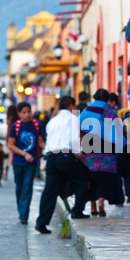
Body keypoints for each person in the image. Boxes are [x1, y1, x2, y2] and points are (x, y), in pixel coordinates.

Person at [35, 96, 90, 234]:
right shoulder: (72, 119)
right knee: (82, 180)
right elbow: (74, 139)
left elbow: (50, 138)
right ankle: (77, 211)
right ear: (71, 106)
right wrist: (79, 153)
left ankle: (41, 222)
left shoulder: (53, 120)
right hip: (64, 156)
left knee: (50, 190)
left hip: (51, 157)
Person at [80, 89, 125, 216]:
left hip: (89, 145)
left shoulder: (86, 110)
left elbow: (78, 128)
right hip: (106, 145)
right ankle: (101, 204)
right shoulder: (110, 110)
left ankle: (93, 207)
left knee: (91, 176)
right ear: (107, 99)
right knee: (104, 176)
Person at [7, 102, 45, 225]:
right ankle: (21, 210)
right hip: (18, 162)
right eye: (24, 112)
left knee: (27, 186)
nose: (27, 114)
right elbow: (10, 145)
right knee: (19, 187)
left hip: (32, 162)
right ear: (19, 114)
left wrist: (52, 148)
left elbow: (40, 142)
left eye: (29, 111)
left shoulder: (36, 124)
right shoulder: (16, 126)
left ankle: (24, 215)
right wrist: (24, 154)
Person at [3, 104, 18, 179]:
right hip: (17, 140)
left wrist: (7, 140)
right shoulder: (18, 119)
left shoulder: (9, 120)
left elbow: (9, 131)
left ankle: (6, 173)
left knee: (8, 157)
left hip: (10, 139)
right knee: (14, 156)